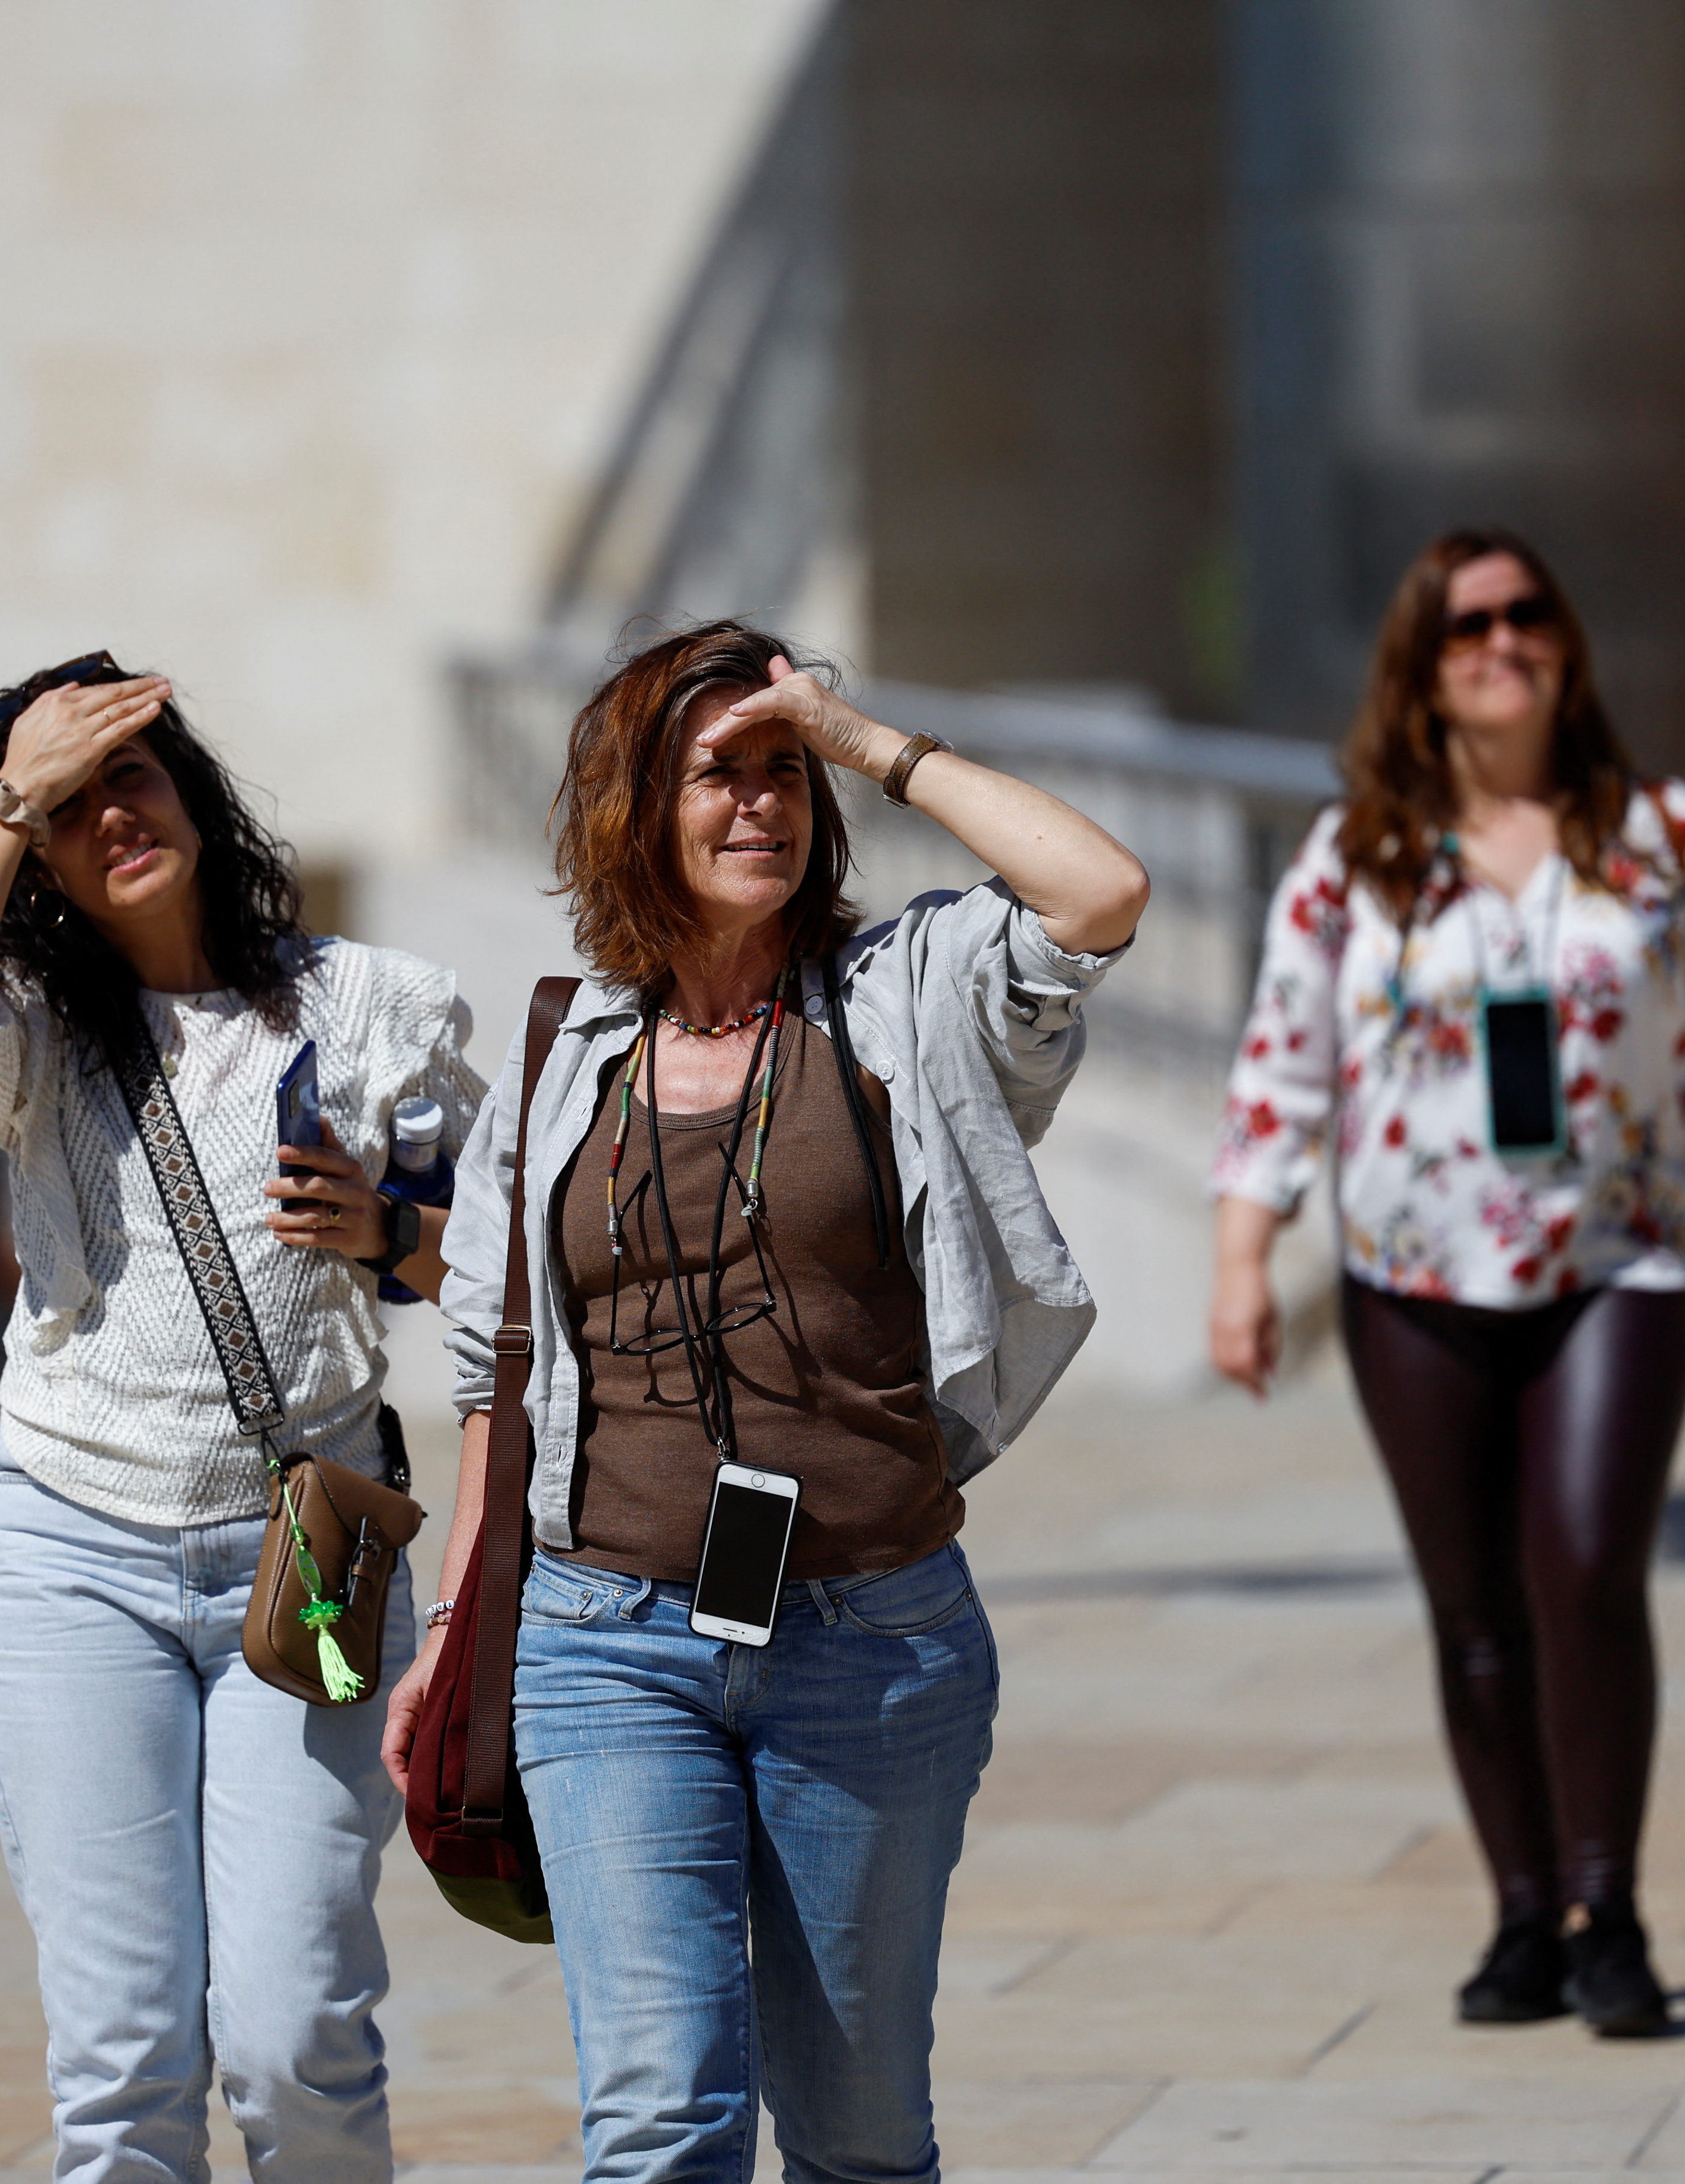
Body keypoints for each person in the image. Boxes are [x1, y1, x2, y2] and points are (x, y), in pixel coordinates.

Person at [387, 620, 1148, 2184]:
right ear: (633, 807)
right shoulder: (561, 1050)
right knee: (658, 2117)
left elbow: (1099, 893)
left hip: (868, 1640)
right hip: (604, 1642)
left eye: (786, 770)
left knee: (859, 2138)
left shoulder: (901, 995)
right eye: (717, 771)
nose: (762, 803)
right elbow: (493, 1379)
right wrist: (461, 1617)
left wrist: (874, 741)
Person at [0, 652, 484, 2182]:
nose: (107, 813)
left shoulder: (372, 1003)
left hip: (308, 1543)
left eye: (127, 771)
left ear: (187, 783)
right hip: (74, 1562)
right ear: (35, 856)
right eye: (67, 805)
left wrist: (382, 1237)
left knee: (293, 2030)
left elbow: (490, 1260)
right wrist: (8, 793)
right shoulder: (30, 1033)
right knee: (125, 2062)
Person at [1207, 530, 1685, 2039]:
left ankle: (1604, 1907)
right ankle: (1517, 1911)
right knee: (1472, 1609)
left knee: (1588, 1577)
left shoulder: (1659, 833)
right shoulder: (1357, 850)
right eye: (1462, 624)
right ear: (1419, 666)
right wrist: (1240, 1253)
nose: (1496, 641)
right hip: (1411, 1272)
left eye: (1523, 614)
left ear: (1565, 643)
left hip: (1618, 1255)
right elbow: (1282, 1059)